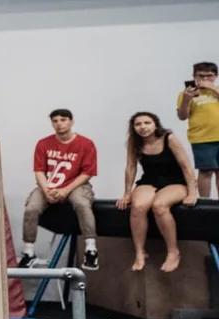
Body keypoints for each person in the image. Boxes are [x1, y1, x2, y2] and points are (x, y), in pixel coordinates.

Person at [114, 112, 199, 273]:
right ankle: (140, 252)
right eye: (138, 124)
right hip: (149, 180)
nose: (143, 127)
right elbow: (131, 167)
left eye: (147, 123)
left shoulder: (169, 138)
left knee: (159, 205)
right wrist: (126, 194)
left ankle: (173, 252)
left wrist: (192, 192)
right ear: (133, 127)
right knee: (138, 207)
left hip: (175, 180)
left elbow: (186, 166)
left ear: (155, 125)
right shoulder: (134, 141)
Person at [18, 109, 100, 271]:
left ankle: (91, 249)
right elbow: (39, 171)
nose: (59, 124)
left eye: (63, 120)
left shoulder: (86, 144)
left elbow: (87, 173)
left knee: (81, 203)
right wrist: (47, 190)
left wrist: (65, 190)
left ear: (71, 121)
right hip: (50, 185)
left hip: (76, 185)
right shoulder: (43, 143)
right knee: (31, 208)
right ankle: (28, 252)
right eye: (55, 121)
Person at [176, 61, 218, 198]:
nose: (205, 79)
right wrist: (186, 100)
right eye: (201, 75)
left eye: (209, 75)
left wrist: (213, 89)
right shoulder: (187, 94)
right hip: (202, 138)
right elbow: (182, 116)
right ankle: (205, 202)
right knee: (206, 171)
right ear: (194, 76)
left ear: (216, 76)